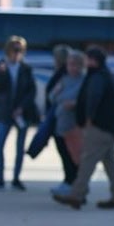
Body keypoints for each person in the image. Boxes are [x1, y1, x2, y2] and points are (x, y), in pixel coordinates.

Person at [51, 46, 114, 210]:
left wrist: (88, 119)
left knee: (87, 162)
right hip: (109, 128)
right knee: (110, 164)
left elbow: (93, 98)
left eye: (87, 59)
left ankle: (76, 195)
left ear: (93, 60)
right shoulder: (107, 77)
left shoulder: (97, 78)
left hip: (98, 127)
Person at [0, 35, 39, 191]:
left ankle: (16, 178)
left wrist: (22, 107)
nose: (17, 53)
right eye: (15, 50)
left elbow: (31, 91)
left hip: (21, 113)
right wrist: (1, 74)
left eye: (20, 50)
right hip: (4, 112)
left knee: (20, 147)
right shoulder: (0, 66)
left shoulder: (26, 69)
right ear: (8, 50)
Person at [44, 44, 77, 195]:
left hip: (64, 121)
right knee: (65, 151)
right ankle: (69, 180)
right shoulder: (61, 74)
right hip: (59, 118)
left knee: (67, 152)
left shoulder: (65, 76)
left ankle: (70, 181)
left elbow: (55, 97)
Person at [49, 50, 86, 183]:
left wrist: (73, 103)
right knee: (63, 154)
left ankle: (76, 183)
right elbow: (52, 97)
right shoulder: (64, 80)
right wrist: (58, 94)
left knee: (75, 156)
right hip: (61, 124)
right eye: (70, 64)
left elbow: (82, 100)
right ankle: (68, 180)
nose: (72, 68)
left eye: (75, 65)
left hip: (75, 126)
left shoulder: (84, 81)